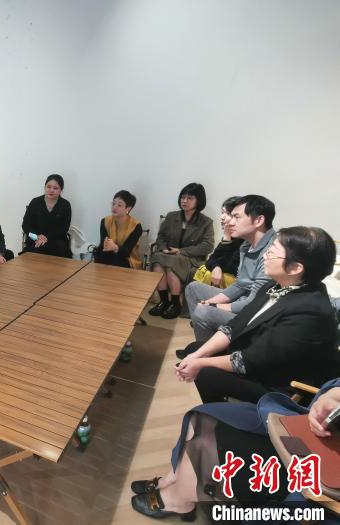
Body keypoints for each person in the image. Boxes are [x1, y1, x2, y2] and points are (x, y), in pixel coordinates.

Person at [130, 377, 340, 521]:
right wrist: (332, 395)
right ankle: (176, 478)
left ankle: (179, 499)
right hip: (311, 434)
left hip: (317, 480)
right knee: (205, 418)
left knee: (209, 444)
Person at [176, 227, 339, 405]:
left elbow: (254, 360)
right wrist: (198, 356)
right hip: (260, 360)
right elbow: (236, 325)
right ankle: (222, 408)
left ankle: (222, 414)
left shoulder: (311, 311)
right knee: (194, 350)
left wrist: (200, 364)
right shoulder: (275, 285)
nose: (265, 256)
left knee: (207, 373)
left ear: (295, 268)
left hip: (282, 384)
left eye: (272, 252)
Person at [185, 195, 276, 342]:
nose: (229, 222)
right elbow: (240, 284)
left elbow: (255, 303)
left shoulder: (273, 251)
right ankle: (206, 346)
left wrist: (214, 305)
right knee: (193, 288)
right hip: (245, 300)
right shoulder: (247, 244)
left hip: (256, 314)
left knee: (203, 310)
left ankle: (208, 352)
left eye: (236, 217)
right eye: (230, 215)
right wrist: (211, 302)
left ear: (258, 220)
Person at [149, 183, 214, 319]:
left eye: (190, 198)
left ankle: (175, 304)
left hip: (191, 258)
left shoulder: (206, 222)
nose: (184, 201)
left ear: (199, 201)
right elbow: (161, 237)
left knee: (171, 263)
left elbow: (208, 246)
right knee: (157, 259)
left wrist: (181, 251)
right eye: (183, 197)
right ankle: (164, 302)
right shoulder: (171, 216)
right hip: (168, 255)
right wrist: (163, 248)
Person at [190, 196, 243, 289]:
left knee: (206, 273)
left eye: (228, 213)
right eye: (222, 212)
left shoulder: (245, 239)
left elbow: (232, 267)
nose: (222, 217)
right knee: (205, 272)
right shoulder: (231, 236)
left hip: (240, 286)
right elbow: (211, 260)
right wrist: (216, 267)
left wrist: (226, 239)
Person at [21, 174, 72, 258]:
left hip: (57, 242)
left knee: (59, 249)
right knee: (37, 249)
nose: (51, 190)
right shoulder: (35, 202)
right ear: (44, 187)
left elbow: (64, 229)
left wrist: (46, 238)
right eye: (49, 187)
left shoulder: (65, 205)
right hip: (35, 241)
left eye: (55, 188)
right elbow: (25, 226)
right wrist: (37, 237)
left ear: (61, 190)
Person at [93, 190, 143, 269]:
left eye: (119, 205)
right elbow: (103, 244)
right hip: (109, 254)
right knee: (102, 256)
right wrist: (106, 244)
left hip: (128, 258)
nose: (114, 207)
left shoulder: (136, 226)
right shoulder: (105, 221)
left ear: (128, 208)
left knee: (116, 261)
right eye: (113, 204)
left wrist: (115, 247)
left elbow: (127, 251)